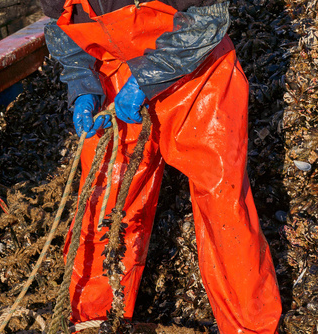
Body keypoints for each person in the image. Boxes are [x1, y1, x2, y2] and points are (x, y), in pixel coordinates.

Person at [39, 0, 283, 333]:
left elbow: (208, 19)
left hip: (196, 70)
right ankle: (93, 319)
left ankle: (250, 326)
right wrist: (82, 83)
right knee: (106, 197)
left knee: (224, 203)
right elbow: (62, 30)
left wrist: (147, 79)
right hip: (116, 69)